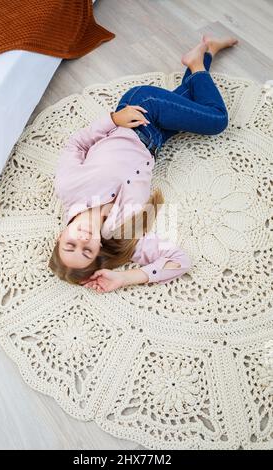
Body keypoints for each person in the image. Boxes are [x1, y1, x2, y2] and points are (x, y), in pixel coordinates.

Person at [49, 34, 238, 293]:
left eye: (70, 245)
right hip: (156, 140)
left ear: (61, 237)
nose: (81, 240)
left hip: (139, 111)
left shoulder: (69, 188)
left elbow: (76, 145)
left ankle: (196, 64)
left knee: (217, 120)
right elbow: (180, 261)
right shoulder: (123, 233)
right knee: (193, 104)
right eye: (86, 251)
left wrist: (114, 119)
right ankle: (205, 53)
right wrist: (126, 278)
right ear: (97, 252)